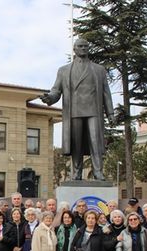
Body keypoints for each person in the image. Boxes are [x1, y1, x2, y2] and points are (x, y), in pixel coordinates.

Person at [40, 38, 114, 180]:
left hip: (94, 110)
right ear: (74, 49)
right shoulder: (64, 70)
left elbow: (106, 93)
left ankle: (98, 171)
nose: (83, 48)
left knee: (95, 142)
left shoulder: (99, 70)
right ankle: (77, 172)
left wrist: (110, 113)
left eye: (86, 46)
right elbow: (56, 90)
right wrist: (50, 98)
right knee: (76, 144)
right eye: (80, 46)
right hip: (74, 111)